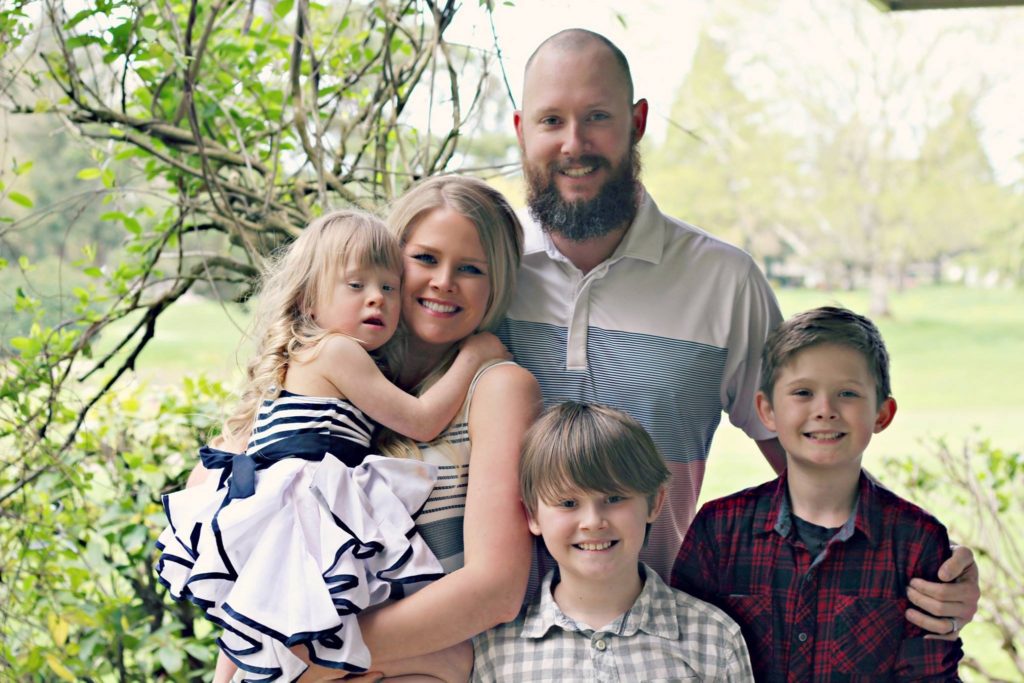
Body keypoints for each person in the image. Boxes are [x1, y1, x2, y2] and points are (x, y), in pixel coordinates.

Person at [498, 26, 979, 636]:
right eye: (551, 121)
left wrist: (927, 565)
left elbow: (811, 453)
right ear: (520, 129)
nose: (574, 143)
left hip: (658, 637)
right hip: (491, 632)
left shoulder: (722, 280)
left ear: (638, 122)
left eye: (597, 116)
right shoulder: (483, 274)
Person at [155, 209, 511, 681]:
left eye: (387, 287)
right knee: (445, 659)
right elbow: (422, 422)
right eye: (356, 286)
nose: (376, 300)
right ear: (309, 298)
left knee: (259, 627)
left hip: (285, 500)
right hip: (304, 504)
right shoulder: (337, 351)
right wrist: (476, 355)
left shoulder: (308, 353)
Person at [672, 306, 963, 680]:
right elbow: (682, 659)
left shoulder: (916, 542)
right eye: (803, 392)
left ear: (882, 414)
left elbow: (929, 675)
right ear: (767, 410)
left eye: (847, 393)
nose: (825, 410)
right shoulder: (719, 530)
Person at [328, 175, 541, 681]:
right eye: (425, 259)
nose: (444, 281)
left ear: (498, 285)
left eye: (470, 269)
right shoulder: (334, 363)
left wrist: (315, 657)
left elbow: (495, 591)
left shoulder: (497, 388)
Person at [472, 401, 754, 681]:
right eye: (568, 503)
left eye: (614, 498)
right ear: (533, 515)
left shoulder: (714, 639)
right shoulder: (496, 651)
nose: (593, 521)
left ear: (654, 502)